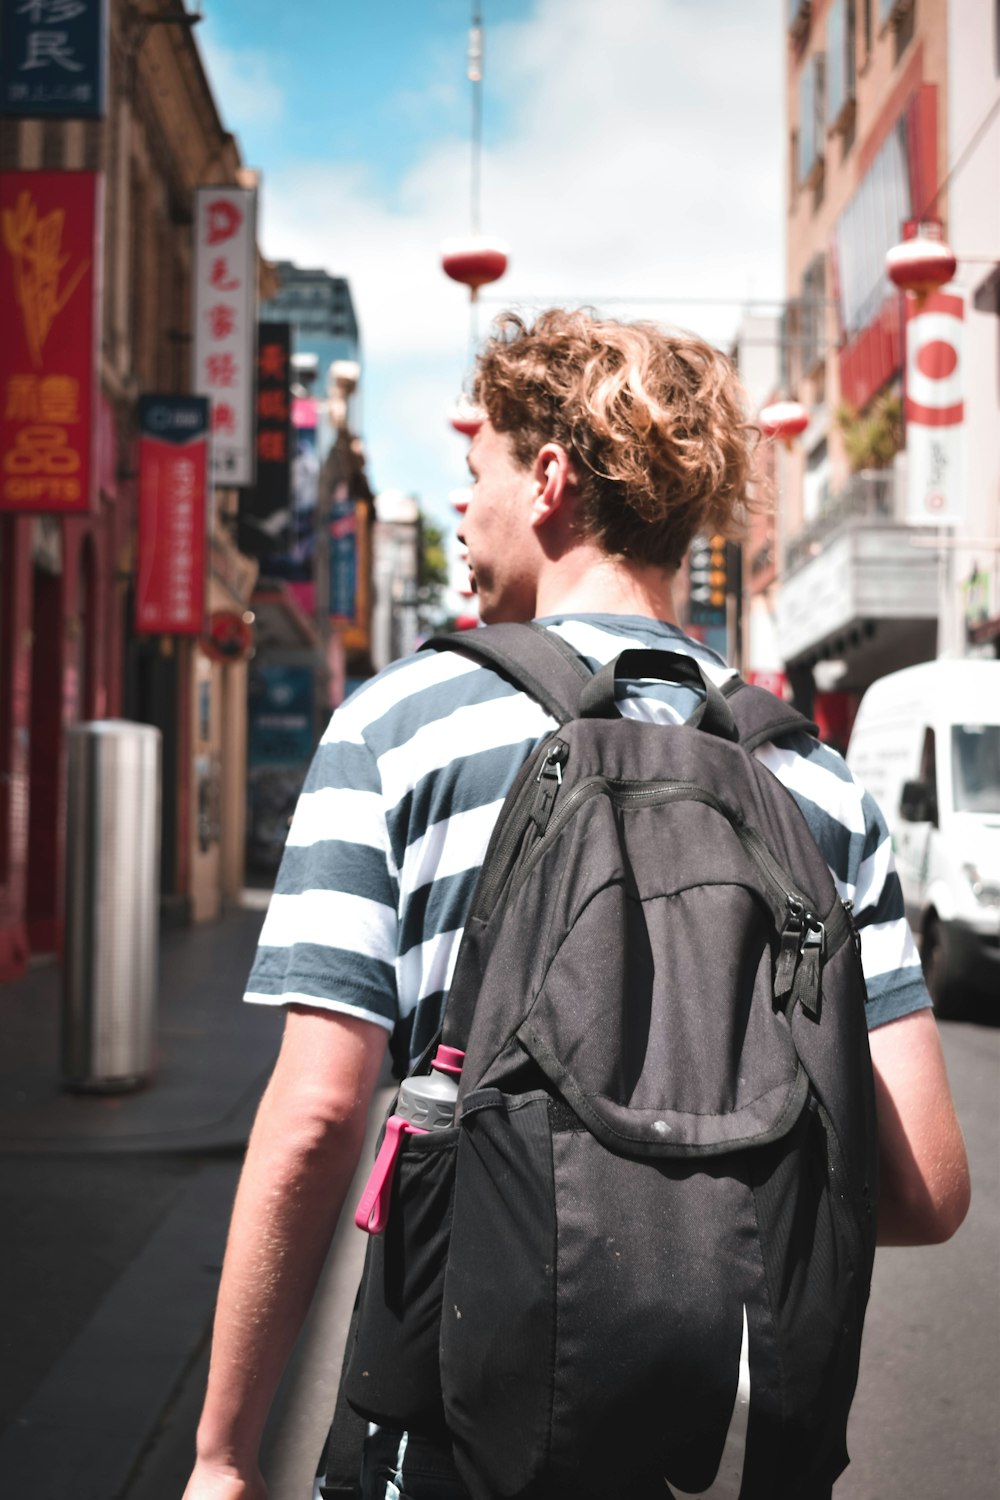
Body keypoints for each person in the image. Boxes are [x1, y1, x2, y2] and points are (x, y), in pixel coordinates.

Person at [182, 310, 970, 1500]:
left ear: (547, 479)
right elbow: (922, 1187)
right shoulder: (816, 781)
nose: (460, 507)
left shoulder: (399, 729)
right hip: (719, 1451)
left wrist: (224, 1456)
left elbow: (312, 1122)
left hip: (457, 1430)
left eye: (475, 470)